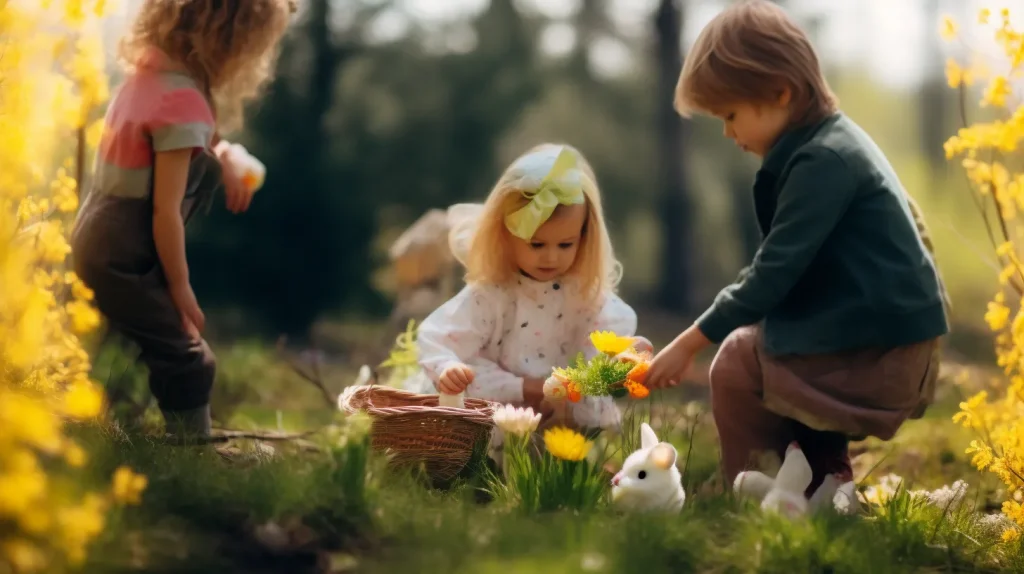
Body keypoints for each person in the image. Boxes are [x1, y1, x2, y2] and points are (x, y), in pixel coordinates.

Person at [645, 0, 950, 496]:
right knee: (768, 345)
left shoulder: (823, 160)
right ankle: (820, 485)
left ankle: (757, 491)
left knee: (739, 360)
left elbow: (772, 273)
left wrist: (689, 342)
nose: (728, 132)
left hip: (884, 346)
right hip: (872, 326)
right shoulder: (827, 143)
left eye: (730, 114)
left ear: (779, 92)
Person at [71, 0, 296, 440]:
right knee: (186, 355)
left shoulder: (147, 77)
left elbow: (202, 138)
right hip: (125, 253)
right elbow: (165, 213)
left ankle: (93, 431)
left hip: (94, 238)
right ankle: (192, 453)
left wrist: (227, 156)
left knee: (111, 343)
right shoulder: (183, 102)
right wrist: (179, 287)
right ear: (232, 39)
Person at [404, 143, 650, 431]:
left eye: (565, 244)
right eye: (537, 244)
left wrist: (619, 362)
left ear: (584, 238)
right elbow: (439, 337)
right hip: (496, 410)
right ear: (505, 236)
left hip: (559, 415)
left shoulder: (584, 296)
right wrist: (448, 368)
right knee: (468, 398)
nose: (551, 256)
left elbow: (605, 348)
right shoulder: (493, 294)